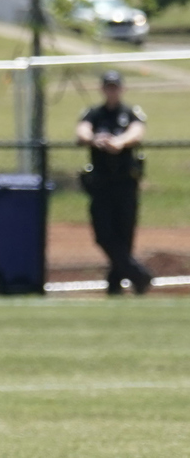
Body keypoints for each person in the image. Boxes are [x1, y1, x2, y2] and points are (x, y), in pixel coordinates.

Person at [76, 70, 151, 295]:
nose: (111, 90)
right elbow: (82, 132)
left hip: (125, 183)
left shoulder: (130, 113)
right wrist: (95, 140)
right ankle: (139, 275)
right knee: (104, 234)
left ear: (121, 88)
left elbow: (137, 133)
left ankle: (114, 287)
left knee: (124, 235)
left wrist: (119, 142)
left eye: (115, 86)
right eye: (107, 86)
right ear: (102, 89)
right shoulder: (94, 114)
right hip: (101, 184)